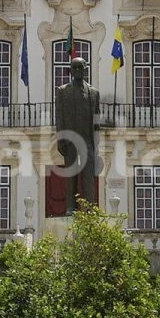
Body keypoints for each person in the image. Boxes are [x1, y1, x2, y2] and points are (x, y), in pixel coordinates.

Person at [55, 57, 100, 214]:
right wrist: (60, 139)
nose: (78, 70)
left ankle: (89, 209)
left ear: (86, 69)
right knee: (70, 175)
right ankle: (71, 207)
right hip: (69, 139)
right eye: (75, 68)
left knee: (89, 175)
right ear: (70, 71)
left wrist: (97, 142)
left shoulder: (94, 93)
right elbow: (59, 116)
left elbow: (97, 119)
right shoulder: (62, 91)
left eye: (81, 67)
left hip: (87, 138)